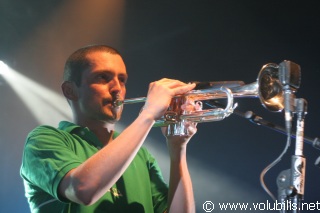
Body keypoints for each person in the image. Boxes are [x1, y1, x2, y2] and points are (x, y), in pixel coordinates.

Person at [20, 44, 197, 213]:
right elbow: (83, 190)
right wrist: (148, 114)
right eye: (102, 77)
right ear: (70, 91)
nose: (117, 88)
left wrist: (177, 149)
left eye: (122, 80)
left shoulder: (141, 155)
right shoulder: (43, 140)